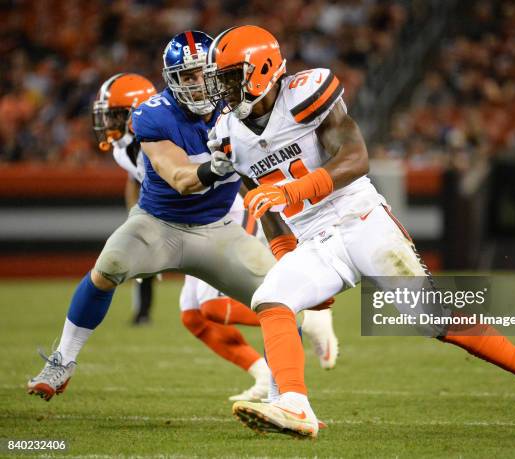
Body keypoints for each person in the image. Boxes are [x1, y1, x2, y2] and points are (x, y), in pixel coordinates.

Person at [202, 25, 515, 439]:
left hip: (360, 219)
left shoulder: (304, 93)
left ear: (260, 70)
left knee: (431, 319)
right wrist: (284, 251)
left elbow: (355, 158)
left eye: (229, 77)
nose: (224, 90)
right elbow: (261, 196)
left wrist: (293, 189)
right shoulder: (226, 133)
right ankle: (295, 403)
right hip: (313, 241)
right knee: (271, 298)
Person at [27, 30, 337, 403]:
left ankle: (281, 398)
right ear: (171, 79)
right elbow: (179, 178)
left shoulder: (240, 107)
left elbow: (266, 173)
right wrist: (216, 167)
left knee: (281, 297)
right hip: (159, 224)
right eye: (185, 76)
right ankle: (62, 360)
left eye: (202, 73)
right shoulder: (153, 115)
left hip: (219, 229)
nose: (196, 83)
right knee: (107, 267)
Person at [93, 72, 156, 325]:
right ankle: (142, 313)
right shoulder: (122, 151)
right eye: (107, 114)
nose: (107, 122)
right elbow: (134, 180)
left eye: (114, 114)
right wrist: (135, 213)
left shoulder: (158, 141)